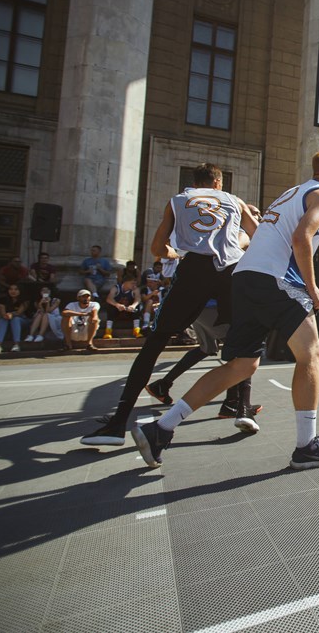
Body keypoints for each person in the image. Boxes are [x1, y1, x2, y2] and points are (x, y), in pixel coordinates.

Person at [133, 149, 319, 471]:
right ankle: (307, 447)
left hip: (245, 277)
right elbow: (301, 238)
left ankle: (161, 428)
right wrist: (312, 286)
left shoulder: (292, 194)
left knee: (242, 365)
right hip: (276, 278)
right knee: (311, 353)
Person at [80, 163, 258, 447]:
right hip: (230, 269)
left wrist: (174, 253)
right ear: (218, 183)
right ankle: (241, 408)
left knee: (155, 342)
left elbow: (157, 248)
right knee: (243, 340)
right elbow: (257, 234)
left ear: (195, 183)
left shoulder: (178, 201)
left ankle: (117, 423)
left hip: (194, 268)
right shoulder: (234, 200)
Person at [140, 299, 260, 420]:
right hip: (214, 308)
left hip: (198, 309)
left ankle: (162, 385)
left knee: (206, 348)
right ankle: (233, 404)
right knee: (242, 352)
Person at [0, 283, 30, 353]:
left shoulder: (24, 300)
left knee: (15, 319)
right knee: (3, 320)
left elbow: (19, 313)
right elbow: (2, 313)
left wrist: (11, 314)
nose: (13, 291)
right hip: (6, 320)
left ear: (20, 291)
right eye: (11, 289)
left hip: (21, 320)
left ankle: (16, 345)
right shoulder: (3, 300)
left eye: (16, 289)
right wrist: (6, 316)